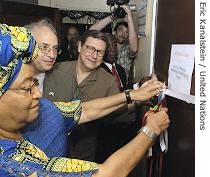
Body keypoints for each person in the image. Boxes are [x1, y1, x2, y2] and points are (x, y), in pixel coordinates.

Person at [0, 23, 169, 177]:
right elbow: (103, 174)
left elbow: (83, 110)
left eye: (35, 82)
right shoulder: (10, 165)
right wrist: (151, 129)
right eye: (27, 88)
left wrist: (133, 94)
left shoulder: (42, 108)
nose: (37, 93)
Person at [90, 5, 138, 83]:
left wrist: (129, 17)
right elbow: (90, 32)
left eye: (127, 32)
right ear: (114, 32)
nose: (123, 34)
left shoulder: (126, 50)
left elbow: (134, 49)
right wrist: (112, 17)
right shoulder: (104, 46)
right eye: (121, 30)